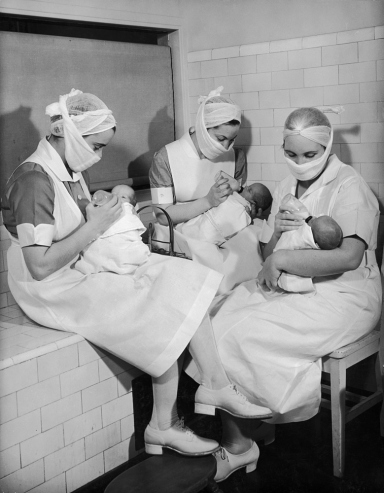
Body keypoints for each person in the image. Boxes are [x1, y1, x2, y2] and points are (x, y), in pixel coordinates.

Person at [1, 89, 272, 459]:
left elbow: (81, 225)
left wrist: (103, 214)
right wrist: (96, 225)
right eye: (95, 146)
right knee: (159, 302)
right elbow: (40, 265)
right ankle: (164, 424)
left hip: (78, 262)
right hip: (50, 286)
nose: (98, 156)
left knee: (182, 273)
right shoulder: (34, 180)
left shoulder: (68, 168)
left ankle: (213, 384)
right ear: (68, 133)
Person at [186, 106, 382, 481]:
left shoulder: (349, 185)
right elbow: (267, 255)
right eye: (291, 154)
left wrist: (285, 259)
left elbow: (351, 256)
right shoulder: (284, 187)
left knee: (248, 333)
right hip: (293, 284)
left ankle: (243, 441)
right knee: (217, 319)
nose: (300, 163)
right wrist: (276, 231)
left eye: (310, 155)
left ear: (326, 147)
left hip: (345, 294)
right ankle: (246, 433)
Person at [149, 86, 265, 294]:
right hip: (184, 233)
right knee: (214, 273)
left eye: (232, 139)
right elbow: (161, 215)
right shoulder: (166, 158)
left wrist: (238, 188)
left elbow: (240, 206)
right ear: (202, 127)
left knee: (253, 249)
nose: (226, 146)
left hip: (226, 230)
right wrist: (208, 201)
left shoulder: (236, 157)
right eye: (220, 138)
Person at [274, 193, 343, 293]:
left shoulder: (304, 235)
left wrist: (276, 255)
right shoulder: (282, 186)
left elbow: (288, 242)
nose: (313, 217)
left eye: (315, 220)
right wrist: (276, 235)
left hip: (287, 270)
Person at [75, 185, 149, 275]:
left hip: (124, 240)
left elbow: (133, 227)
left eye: (123, 197)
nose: (117, 198)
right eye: (113, 194)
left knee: (134, 250)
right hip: (104, 241)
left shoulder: (128, 209)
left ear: (132, 204)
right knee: (94, 252)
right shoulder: (103, 209)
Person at [179, 175, 272, 246]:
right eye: (249, 186)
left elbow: (237, 229)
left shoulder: (244, 213)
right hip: (206, 219)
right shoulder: (234, 196)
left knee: (199, 237)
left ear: (253, 203)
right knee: (191, 229)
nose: (246, 187)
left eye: (250, 190)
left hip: (213, 232)